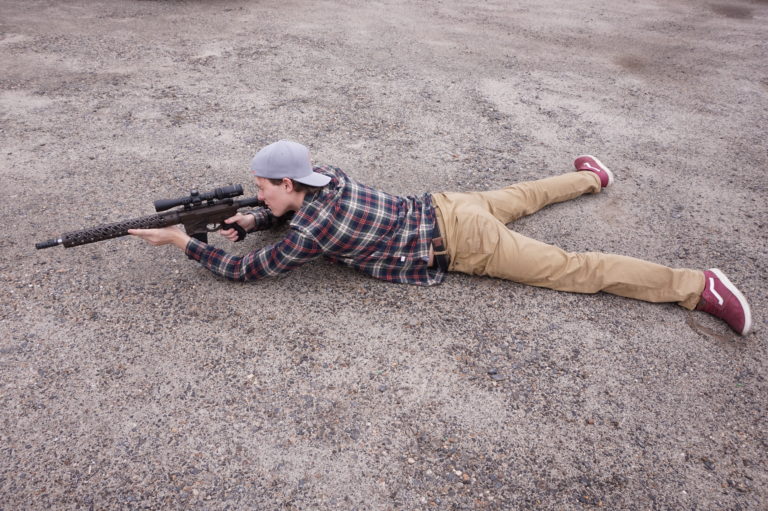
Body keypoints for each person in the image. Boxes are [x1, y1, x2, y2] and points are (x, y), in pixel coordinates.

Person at [129, 140, 753, 336]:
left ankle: (698, 286)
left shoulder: (315, 221)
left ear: (291, 182)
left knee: (575, 268)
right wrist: (251, 219)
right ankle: (591, 178)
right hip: (446, 204)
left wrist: (186, 244)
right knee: (530, 193)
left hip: (463, 242)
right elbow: (291, 218)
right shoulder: (329, 183)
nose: (257, 194)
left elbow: (250, 272)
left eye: (263, 188)